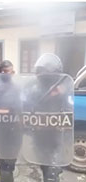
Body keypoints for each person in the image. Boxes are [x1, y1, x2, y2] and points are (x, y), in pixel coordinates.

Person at [24, 53, 72, 182]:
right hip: (39, 136)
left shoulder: (64, 89)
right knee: (44, 166)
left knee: (52, 171)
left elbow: (68, 111)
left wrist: (61, 94)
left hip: (55, 136)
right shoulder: (34, 89)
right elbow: (28, 108)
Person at [0, 60, 22, 182]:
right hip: (0, 131)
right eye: (4, 71)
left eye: (10, 72)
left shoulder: (16, 89)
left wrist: (5, 111)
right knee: (2, 163)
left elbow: (20, 108)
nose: (7, 74)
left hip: (14, 131)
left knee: (10, 163)